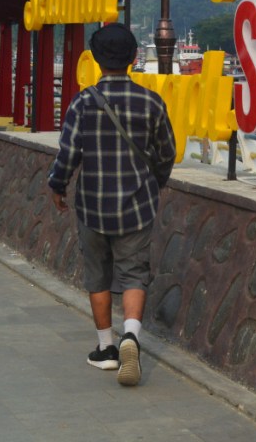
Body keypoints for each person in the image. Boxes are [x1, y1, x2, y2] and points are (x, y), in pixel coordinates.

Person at [48, 22, 176, 386]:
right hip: (136, 205)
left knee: (98, 273)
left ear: (97, 60)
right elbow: (167, 152)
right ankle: (131, 336)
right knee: (135, 272)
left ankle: (106, 349)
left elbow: (68, 153)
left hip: (93, 205)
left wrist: (57, 185)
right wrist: (157, 182)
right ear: (135, 58)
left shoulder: (83, 101)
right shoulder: (152, 102)